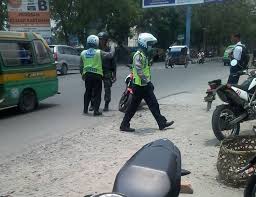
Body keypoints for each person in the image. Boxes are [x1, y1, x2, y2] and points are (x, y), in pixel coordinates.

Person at [120, 33, 174, 132]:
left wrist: (155, 58)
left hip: (144, 85)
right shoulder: (138, 55)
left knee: (154, 104)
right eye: (149, 44)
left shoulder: (144, 55)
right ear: (144, 43)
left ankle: (161, 123)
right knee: (133, 107)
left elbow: (147, 65)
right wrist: (147, 81)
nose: (150, 46)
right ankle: (124, 125)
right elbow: (139, 70)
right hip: (139, 86)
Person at [81, 35, 115, 116]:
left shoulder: (83, 53)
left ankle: (85, 110)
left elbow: (81, 65)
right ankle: (96, 111)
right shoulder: (99, 52)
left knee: (87, 92)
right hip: (97, 75)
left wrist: (82, 74)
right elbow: (110, 55)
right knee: (97, 93)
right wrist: (113, 46)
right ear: (96, 43)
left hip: (87, 75)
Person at [89, 32, 117, 112]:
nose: (101, 41)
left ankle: (106, 104)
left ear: (106, 40)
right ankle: (93, 104)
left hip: (107, 71)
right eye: (100, 39)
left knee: (107, 88)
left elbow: (114, 63)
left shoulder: (109, 50)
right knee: (94, 88)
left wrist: (114, 75)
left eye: (103, 39)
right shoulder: (95, 49)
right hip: (97, 70)